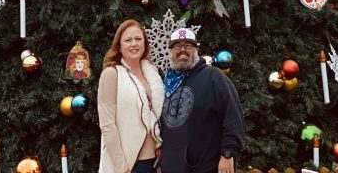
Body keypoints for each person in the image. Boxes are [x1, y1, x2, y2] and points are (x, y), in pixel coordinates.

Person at [160, 28, 245, 173]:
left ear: (196, 49)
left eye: (188, 45)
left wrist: (228, 153)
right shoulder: (166, 83)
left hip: (205, 166)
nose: (182, 50)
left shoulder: (213, 77)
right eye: (176, 46)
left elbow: (233, 116)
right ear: (171, 51)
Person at [98, 19, 165, 173]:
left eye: (138, 39)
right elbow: (107, 125)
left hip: (156, 162)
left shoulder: (152, 74)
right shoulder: (111, 74)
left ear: (145, 44)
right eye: (128, 40)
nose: (134, 44)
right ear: (119, 46)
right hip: (130, 165)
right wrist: (121, 167)